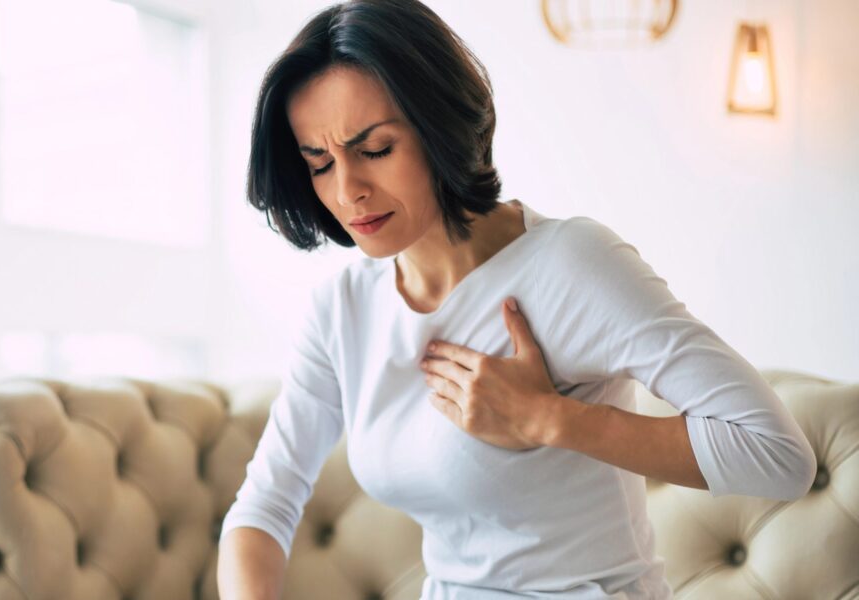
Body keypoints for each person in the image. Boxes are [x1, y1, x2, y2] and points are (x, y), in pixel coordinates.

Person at [215, 1, 817, 599]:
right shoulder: (344, 309)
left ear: (439, 126)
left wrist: (551, 418)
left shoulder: (570, 263)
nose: (348, 192)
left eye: (375, 150)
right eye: (319, 163)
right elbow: (263, 507)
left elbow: (779, 455)